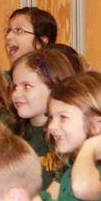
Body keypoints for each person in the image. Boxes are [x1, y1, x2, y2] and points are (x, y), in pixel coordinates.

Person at [45, 72, 101, 201]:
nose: (52, 126)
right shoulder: (72, 170)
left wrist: (90, 147)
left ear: (98, 125)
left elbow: (82, 187)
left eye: (63, 117)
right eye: (51, 117)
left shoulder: (99, 174)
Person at [11, 48, 76, 182]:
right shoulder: (11, 133)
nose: (16, 94)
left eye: (27, 86)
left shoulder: (69, 138)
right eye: (15, 87)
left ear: (54, 87)